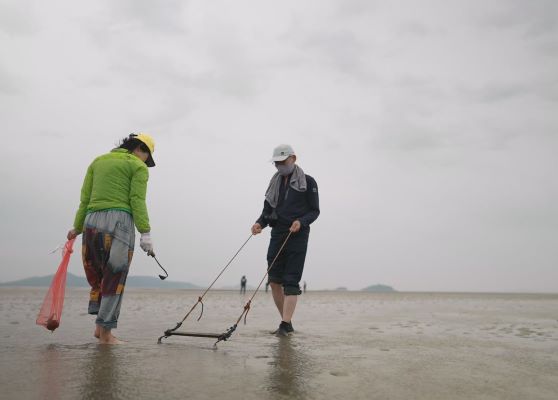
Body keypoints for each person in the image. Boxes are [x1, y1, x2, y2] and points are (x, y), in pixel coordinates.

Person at [67, 133, 157, 344]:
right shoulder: (138, 167)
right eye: (147, 156)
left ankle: (99, 328)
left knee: (98, 275)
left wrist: (77, 227)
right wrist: (145, 232)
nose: (145, 161)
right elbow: (137, 200)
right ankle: (106, 335)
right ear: (139, 149)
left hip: (91, 222)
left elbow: (84, 199)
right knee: (114, 276)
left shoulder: (97, 161)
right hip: (119, 221)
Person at [251, 144, 320, 336]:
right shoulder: (274, 183)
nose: (280, 166)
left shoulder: (308, 182)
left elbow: (315, 211)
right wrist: (259, 224)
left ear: (293, 159)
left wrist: (301, 221)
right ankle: (286, 322)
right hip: (277, 233)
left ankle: (285, 323)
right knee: (273, 279)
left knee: (291, 280)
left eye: (283, 162)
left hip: (298, 234)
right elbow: (267, 212)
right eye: (276, 163)